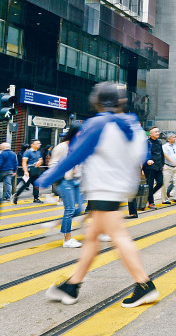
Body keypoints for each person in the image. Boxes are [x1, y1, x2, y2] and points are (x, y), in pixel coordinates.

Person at [39, 81, 158, 307]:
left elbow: (75, 156)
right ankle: (72, 286)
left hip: (104, 187)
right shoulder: (132, 124)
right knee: (92, 238)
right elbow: (139, 155)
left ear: (98, 101)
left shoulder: (99, 123)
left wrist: (46, 178)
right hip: (117, 186)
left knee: (119, 237)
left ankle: (144, 284)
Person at [43, 126, 85, 247]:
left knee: (80, 208)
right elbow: (52, 164)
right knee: (70, 209)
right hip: (64, 181)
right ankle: (67, 239)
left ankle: (55, 224)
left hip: (76, 181)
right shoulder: (62, 147)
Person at [13, 139, 44, 204]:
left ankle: (36, 198)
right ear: (32, 145)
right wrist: (25, 171)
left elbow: (41, 160)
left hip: (36, 171)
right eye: (37, 143)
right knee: (26, 185)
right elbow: (24, 162)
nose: (39, 145)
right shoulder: (28, 152)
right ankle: (16, 195)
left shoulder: (38, 152)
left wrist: (40, 162)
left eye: (39, 143)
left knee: (36, 184)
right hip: (29, 171)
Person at [162, 134, 176, 204]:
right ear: (168, 139)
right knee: (165, 184)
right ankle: (164, 199)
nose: (174, 138)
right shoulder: (164, 146)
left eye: (174, 137)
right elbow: (165, 155)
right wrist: (174, 162)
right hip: (167, 167)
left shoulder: (175, 147)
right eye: (173, 137)